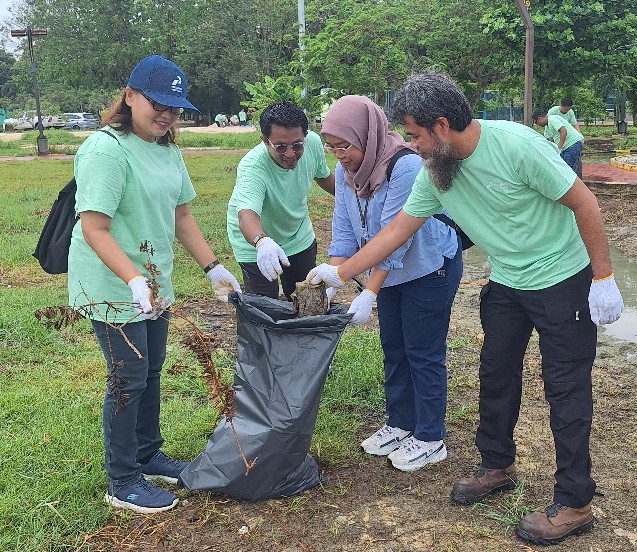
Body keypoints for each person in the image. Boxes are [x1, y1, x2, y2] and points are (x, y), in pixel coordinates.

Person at [307, 71, 623, 546]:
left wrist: (603, 278)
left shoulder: (517, 146)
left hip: (563, 280)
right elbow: (397, 231)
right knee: (495, 374)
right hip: (508, 282)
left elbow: (585, 203)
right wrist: (344, 271)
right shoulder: (439, 170)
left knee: (566, 390)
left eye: (414, 135)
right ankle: (497, 465)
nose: (410, 147)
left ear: (441, 125)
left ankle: (575, 501)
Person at [68, 55, 242, 514]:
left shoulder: (167, 149)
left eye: (175, 108)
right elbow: (95, 227)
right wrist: (131, 280)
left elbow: (181, 216)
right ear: (129, 97)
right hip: (112, 285)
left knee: (151, 370)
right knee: (128, 378)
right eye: (156, 103)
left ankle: (148, 454)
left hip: (154, 283)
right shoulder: (106, 150)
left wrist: (213, 268)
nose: (166, 115)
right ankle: (122, 479)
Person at [320, 95, 462, 471]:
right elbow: (344, 227)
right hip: (389, 272)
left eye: (345, 146)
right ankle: (401, 423)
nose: (339, 155)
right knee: (394, 347)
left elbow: (395, 235)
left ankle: (431, 437)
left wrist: (368, 289)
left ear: (367, 135)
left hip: (430, 267)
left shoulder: (407, 166)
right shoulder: (345, 172)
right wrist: (334, 277)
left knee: (423, 351)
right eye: (331, 147)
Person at [226, 101, 335, 300]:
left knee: (305, 300)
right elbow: (246, 216)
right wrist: (262, 242)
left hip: (298, 235)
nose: (291, 154)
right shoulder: (253, 167)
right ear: (266, 141)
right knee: (263, 309)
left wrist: (358, 194)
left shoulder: (314, 144)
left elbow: (325, 177)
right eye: (281, 147)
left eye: (297, 145)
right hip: (256, 243)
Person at [533, 109, 585, 176]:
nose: (537, 125)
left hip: (572, 144)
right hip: (569, 146)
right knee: (571, 167)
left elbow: (563, 131)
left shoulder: (552, 119)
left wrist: (559, 148)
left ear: (539, 119)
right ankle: (577, 184)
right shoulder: (548, 126)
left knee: (568, 168)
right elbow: (551, 140)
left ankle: (574, 185)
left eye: (536, 122)